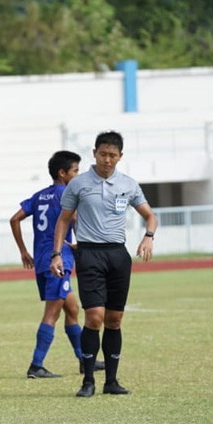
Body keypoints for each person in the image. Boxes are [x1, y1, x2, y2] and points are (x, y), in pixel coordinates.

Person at [51, 131, 157, 397]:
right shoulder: (79, 184)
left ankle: (111, 381)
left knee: (114, 319)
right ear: (94, 153)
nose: (107, 160)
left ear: (120, 156)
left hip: (118, 255)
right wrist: (56, 254)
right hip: (89, 254)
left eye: (112, 155)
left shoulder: (128, 184)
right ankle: (88, 381)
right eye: (103, 154)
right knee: (94, 317)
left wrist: (148, 236)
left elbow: (150, 216)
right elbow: (63, 219)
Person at [11, 150, 106, 379]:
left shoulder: (40, 196)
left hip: (42, 260)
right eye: (75, 171)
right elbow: (76, 220)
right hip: (58, 261)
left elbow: (14, 219)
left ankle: (84, 360)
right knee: (52, 314)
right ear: (62, 173)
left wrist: (23, 251)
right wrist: (82, 244)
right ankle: (36, 365)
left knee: (72, 309)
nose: (78, 175)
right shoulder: (67, 195)